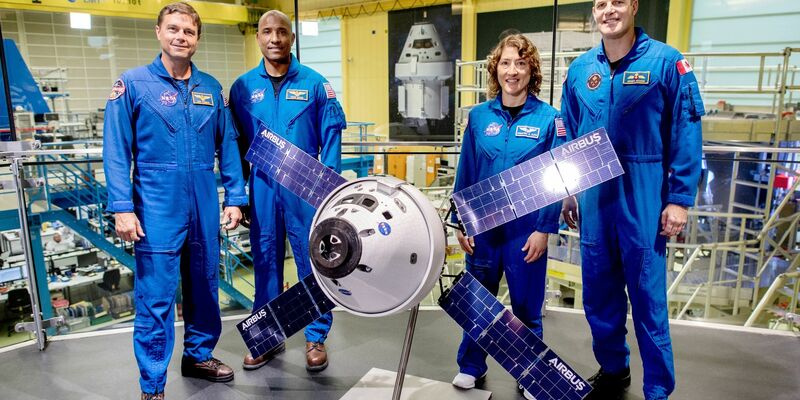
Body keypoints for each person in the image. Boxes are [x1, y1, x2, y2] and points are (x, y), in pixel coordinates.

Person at [102, 3, 247, 399]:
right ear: (159, 32)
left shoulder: (211, 89)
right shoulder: (132, 85)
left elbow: (228, 146)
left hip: (203, 200)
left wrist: (235, 197)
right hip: (155, 206)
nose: (181, 36)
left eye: (189, 31)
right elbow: (116, 150)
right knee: (157, 297)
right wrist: (121, 207)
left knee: (204, 285)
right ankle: (152, 384)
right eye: (173, 29)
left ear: (198, 38)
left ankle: (199, 355)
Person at [559, 1, 704, 399]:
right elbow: (568, 133)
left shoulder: (666, 63)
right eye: (601, 4)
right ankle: (613, 368)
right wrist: (569, 191)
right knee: (599, 297)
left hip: (644, 195)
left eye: (618, 2)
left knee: (647, 301)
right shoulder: (579, 71)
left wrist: (679, 199)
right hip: (594, 199)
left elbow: (687, 132)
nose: (609, 10)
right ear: (594, 11)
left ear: (634, 6)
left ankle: (657, 388)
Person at [229, 10, 346, 372]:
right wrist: (239, 195)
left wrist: (328, 191)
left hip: (305, 188)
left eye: (282, 32)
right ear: (259, 37)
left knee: (315, 262)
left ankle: (315, 337)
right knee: (265, 263)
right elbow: (233, 145)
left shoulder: (315, 85)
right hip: (262, 185)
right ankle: (266, 337)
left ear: (292, 38)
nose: (275, 38)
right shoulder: (243, 88)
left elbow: (332, 139)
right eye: (267, 31)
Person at [450, 34, 561, 400]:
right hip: (483, 228)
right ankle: (470, 366)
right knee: (478, 301)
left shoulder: (550, 120)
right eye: (506, 63)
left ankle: (531, 372)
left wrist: (544, 229)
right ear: (495, 70)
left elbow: (557, 179)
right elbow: (466, 172)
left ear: (532, 70)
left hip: (525, 230)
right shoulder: (479, 117)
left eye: (520, 63)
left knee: (527, 306)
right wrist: (461, 221)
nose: (512, 71)